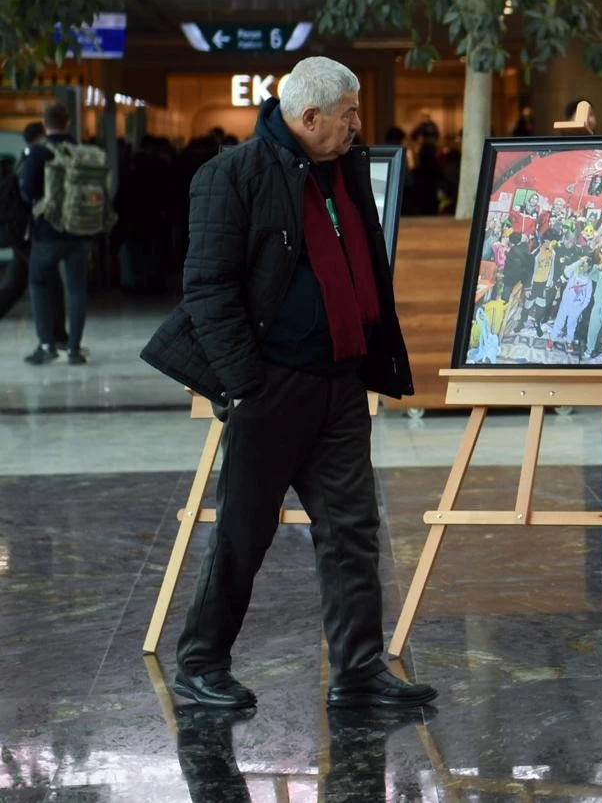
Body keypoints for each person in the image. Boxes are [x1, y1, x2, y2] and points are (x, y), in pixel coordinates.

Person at [140, 56, 434, 711]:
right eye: (349, 114)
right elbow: (207, 289)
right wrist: (245, 383)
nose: (359, 125)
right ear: (309, 117)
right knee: (244, 532)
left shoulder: (343, 170)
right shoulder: (231, 176)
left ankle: (359, 672)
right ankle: (200, 662)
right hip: (271, 388)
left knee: (353, 530)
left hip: (340, 385)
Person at [19, 103, 104, 364]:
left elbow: (29, 190)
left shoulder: (39, 151)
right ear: (68, 123)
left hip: (47, 231)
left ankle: (46, 346)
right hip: (81, 230)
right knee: (77, 290)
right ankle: (74, 349)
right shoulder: (84, 152)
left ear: (45, 123)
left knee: (38, 284)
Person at [0, 124, 68, 338]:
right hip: (25, 232)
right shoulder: (37, 157)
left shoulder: (24, 158)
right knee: (50, 280)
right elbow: (29, 194)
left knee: (15, 284)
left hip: (18, 231)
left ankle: (57, 334)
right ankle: (57, 334)